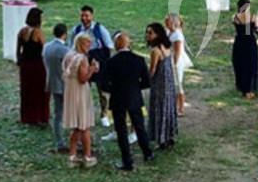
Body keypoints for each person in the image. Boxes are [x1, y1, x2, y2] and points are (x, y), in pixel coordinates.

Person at [101, 32, 155, 170]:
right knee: (139, 126)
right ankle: (147, 153)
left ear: (116, 45)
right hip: (134, 97)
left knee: (121, 130)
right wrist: (135, 87)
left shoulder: (111, 62)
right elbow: (147, 82)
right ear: (128, 43)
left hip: (118, 98)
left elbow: (104, 85)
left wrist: (114, 89)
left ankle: (127, 161)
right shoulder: (139, 60)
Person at [62, 33, 98, 168]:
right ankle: (87, 156)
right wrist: (92, 69)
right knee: (84, 126)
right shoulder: (82, 58)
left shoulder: (69, 55)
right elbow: (83, 79)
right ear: (80, 44)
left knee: (76, 127)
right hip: (80, 92)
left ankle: (72, 156)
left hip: (70, 91)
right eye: (87, 43)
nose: (89, 46)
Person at [145, 23, 178, 150]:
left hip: (159, 84)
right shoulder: (167, 47)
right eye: (147, 32)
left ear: (158, 35)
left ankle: (161, 138)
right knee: (167, 107)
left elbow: (152, 70)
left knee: (159, 108)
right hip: (169, 83)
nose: (147, 35)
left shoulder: (155, 51)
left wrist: (144, 80)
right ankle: (169, 136)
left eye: (150, 33)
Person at [15, 7, 50, 126]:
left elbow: (18, 50)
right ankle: (40, 116)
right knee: (40, 91)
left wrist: (20, 61)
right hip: (37, 65)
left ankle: (27, 116)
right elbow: (45, 50)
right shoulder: (38, 33)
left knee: (27, 91)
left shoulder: (22, 31)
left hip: (25, 65)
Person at [42, 22, 71, 154]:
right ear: (65, 34)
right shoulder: (65, 50)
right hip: (65, 84)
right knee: (68, 113)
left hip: (52, 82)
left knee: (58, 113)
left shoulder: (46, 47)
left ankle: (59, 141)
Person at [232, 0, 258, 98]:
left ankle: (242, 86)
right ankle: (251, 88)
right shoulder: (254, 17)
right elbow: (257, 30)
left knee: (241, 64)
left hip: (239, 42)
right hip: (250, 42)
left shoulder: (235, 17)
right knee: (251, 65)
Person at [164, 13, 193, 115]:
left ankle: (180, 108)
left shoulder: (177, 35)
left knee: (177, 84)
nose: (165, 22)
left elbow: (178, 51)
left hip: (176, 61)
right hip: (170, 59)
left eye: (167, 21)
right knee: (172, 84)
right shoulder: (169, 32)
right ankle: (174, 106)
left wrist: (174, 65)